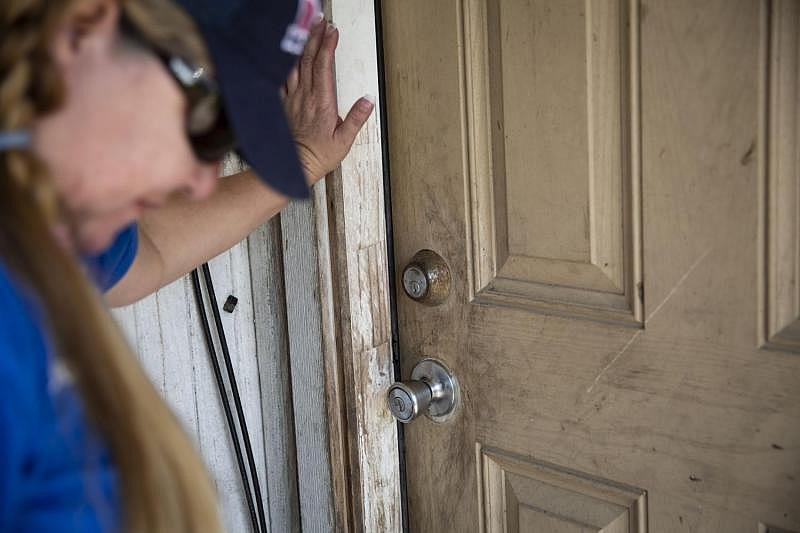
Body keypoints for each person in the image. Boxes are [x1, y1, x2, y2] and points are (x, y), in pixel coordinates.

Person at [0, 0, 374, 531]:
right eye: (201, 118)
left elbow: (144, 249)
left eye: (225, 134)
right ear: (83, 28)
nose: (199, 181)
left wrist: (303, 162)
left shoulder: (48, 216)